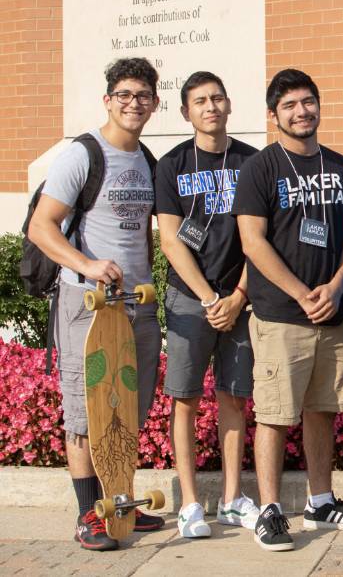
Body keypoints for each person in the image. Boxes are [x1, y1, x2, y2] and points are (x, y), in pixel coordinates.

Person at [27, 57, 165, 550]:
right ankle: (90, 513)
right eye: (124, 94)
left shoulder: (147, 159)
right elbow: (40, 227)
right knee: (87, 411)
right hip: (87, 302)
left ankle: (119, 502)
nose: (134, 103)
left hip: (137, 302)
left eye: (143, 95)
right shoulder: (82, 154)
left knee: (127, 407)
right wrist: (86, 264)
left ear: (154, 103)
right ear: (108, 100)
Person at [233, 69, 343, 551]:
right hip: (280, 315)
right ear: (273, 115)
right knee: (274, 414)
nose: (301, 111)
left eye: (308, 101)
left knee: (323, 409)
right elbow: (252, 241)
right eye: (290, 105)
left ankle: (321, 501)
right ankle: (270, 511)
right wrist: (300, 293)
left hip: (333, 313)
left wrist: (336, 285)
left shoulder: (342, 167)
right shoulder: (260, 168)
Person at [155, 71, 260, 538]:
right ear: (186, 112)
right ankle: (190, 504)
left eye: (217, 98)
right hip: (190, 297)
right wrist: (209, 297)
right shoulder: (171, 165)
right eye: (200, 101)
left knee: (234, 397)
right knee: (185, 398)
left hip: (240, 299)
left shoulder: (253, 162)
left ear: (229, 104)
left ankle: (233, 500)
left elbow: (262, 240)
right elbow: (170, 239)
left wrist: (238, 297)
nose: (210, 106)